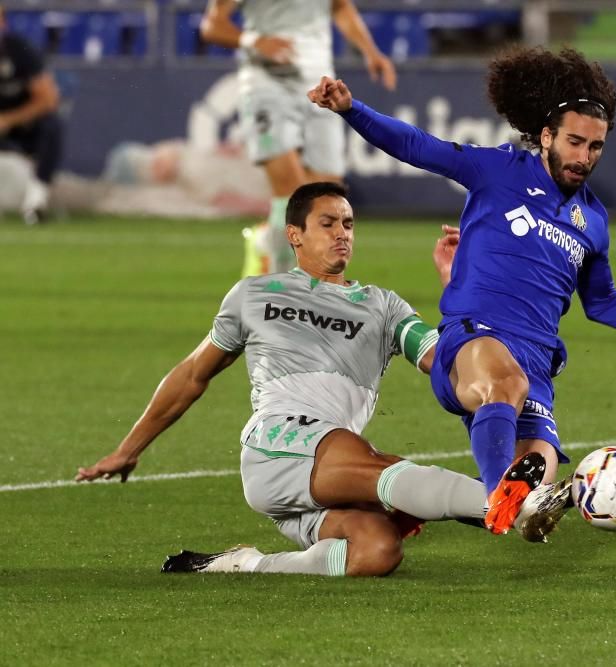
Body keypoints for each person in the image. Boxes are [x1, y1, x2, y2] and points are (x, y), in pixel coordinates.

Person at [307, 46, 616, 537]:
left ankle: (446, 503)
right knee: (506, 390)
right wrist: (351, 109)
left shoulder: (594, 221)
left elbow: (603, 303)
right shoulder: (499, 170)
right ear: (546, 136)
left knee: (541, 465)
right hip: (474, 338)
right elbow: (418, 145)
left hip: (537, 361)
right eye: (576, 142)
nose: (584, 157)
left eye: (595, 147)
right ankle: (501, 498)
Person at [75, 182, 523, 578]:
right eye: (327, 223)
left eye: (348, 223)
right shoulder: (253, 294)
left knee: (377, 550)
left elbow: (448, 361)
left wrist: (460, 287)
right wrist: (126, 450)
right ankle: (514, 503)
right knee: (378, 467)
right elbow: (193, 374)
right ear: (295, 235)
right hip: (277, 442)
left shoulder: (383, 307)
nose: (341, 233)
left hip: (322, 470)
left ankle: (246, 564)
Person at [199, 0, 397, 276]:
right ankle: (280, 295)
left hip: (320, 87)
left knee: (328, 198)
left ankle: (267, 243)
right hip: (266, 86)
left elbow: (340, 7)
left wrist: (370, 51)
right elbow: (211, 25)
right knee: (291, 195)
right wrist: (255, 41)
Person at [0, 3, 62, 224]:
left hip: (19, 125)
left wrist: (10, 119)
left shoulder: (19, 50)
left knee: (51, 125)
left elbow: (49, 98)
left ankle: (36, 202)